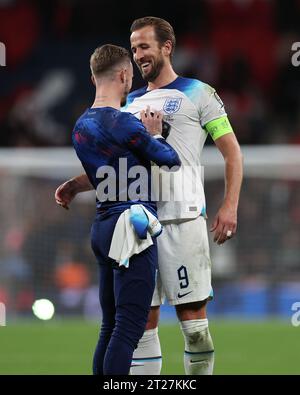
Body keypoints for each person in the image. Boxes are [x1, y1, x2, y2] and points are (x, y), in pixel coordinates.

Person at [55, 17, 243, 375]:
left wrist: (229, 205)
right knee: (140, 325)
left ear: (166, 47)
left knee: (195, 328)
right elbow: (118, 164)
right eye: (134, 47)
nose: (138, 54)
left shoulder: (199, 93)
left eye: (144, 46)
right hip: (139, 224)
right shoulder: (127, 104)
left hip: (184, 219)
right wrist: (77, 185)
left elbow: (232, 152)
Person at [67, 43, 181, 375]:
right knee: (128, 329)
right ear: (123, 75)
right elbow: (170, 161)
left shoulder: (79, 127)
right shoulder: (125, 125)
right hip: (133, 228)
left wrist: (74, 185)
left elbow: (108, 171)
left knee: (110, 325)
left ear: (92, 78)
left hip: (102, 226)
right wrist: (156, 134)